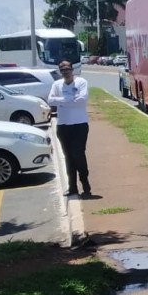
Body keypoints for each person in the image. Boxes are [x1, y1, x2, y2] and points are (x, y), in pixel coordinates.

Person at [48, 61, 92, 197]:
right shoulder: (57, 84)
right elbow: (50, 100)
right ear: (60, 71)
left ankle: (86, 186)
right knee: (68, 157)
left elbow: (81, 99)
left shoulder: (81, 82)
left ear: (72, 70)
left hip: (79, 125)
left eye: (67, 69)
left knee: (78, 154)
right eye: (62, 70)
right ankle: (72, 187)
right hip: (63, 126)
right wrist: (69, 99)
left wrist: (61, 101)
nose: (65, 71)